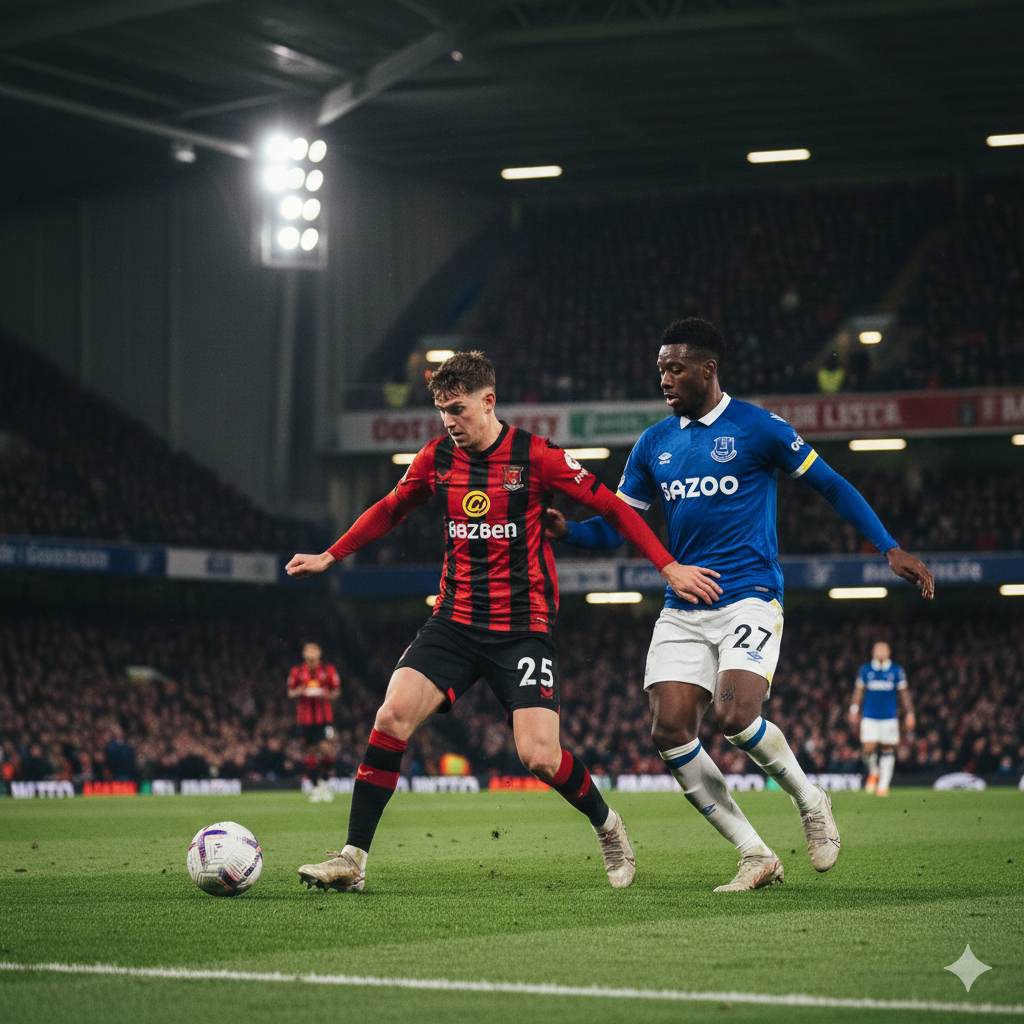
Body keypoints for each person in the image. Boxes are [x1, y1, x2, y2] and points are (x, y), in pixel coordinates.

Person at [285, 350, 719, 893]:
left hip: (522, 626)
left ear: (488, 401)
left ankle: (608, 824)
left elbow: (614, 508)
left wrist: (668, 566)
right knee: (391, 716)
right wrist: (331, 555)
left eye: (458, 408)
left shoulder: (537, 457)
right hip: (453, 620)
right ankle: (353, 858)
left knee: (539, 757)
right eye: (441, 409)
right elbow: (391, 508)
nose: (449, 420)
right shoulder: (436, 458)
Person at [546, 317, 934, 892]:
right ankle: (755, 854)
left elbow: (831, 484)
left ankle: (810, 799)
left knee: (734, 717)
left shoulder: (757, 428)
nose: (665, 379)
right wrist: (569, 531)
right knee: (669, 731)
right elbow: (621, 526)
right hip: (683, 605)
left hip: (749, 596)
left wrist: (889, 546)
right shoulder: (654, 443)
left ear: (708, 368)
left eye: (675, 368)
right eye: (660, 370)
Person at [849, 641, 914, 797]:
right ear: (873, 652)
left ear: (889, 652)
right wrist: (854, 709)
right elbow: (859, 690)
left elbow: (904, 693)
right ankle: (874, 771)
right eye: (878, 649)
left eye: (884, 649)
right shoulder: (866, 670)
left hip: (889, 717)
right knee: (867, 748)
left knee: (888, 748)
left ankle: (883, 785)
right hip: (869, 716)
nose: (881, 652)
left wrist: (910, 712)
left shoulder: (896, 670)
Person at [287, 642, 341, 803]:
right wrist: (301, 691)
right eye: (308, 650)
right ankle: (317, 787)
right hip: (305, 719)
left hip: (324, 719)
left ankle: (325, 783)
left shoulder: (328, 670)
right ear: (304, 653)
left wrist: (325, 693)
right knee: (310, 752)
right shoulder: (297, 671)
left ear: (319, 653)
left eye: (314, 650)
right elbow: (290, 692)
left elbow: (336, 691)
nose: (311, 653)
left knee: (326, 748)